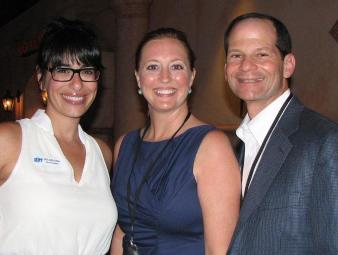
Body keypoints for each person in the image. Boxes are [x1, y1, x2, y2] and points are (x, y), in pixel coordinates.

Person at [110, 27, 240, 255]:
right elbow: (122, 231)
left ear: (191, 77)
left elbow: (219, 251)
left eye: (176, 66)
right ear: (138, 78)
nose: (164, 77)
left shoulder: (211, 147)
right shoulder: (124, 145)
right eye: (152, 67)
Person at [0, 17, 117, 254]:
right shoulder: (10, 140)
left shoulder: (102, 153)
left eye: (87, 71)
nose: (77, 84)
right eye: (63, 70)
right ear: (41, 78)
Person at [224, 12, 338, 255]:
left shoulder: (325, 141)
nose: (246, 66)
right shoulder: (233, 148)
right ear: (226, 70)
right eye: (236, 55)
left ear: (288, 65)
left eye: (261, 54)